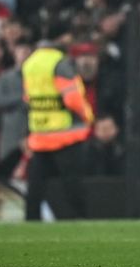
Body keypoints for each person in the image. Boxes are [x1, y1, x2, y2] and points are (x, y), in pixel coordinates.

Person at [22, 40, 94, 220]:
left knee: (36, 186)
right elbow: (73, 98)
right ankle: (80, 220)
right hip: (65, 134)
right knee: (72, 183)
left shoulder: (29, 64)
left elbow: (27, 98)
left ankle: (31, 221)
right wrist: (88, 117)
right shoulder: (60, 63)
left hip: (40, 133)